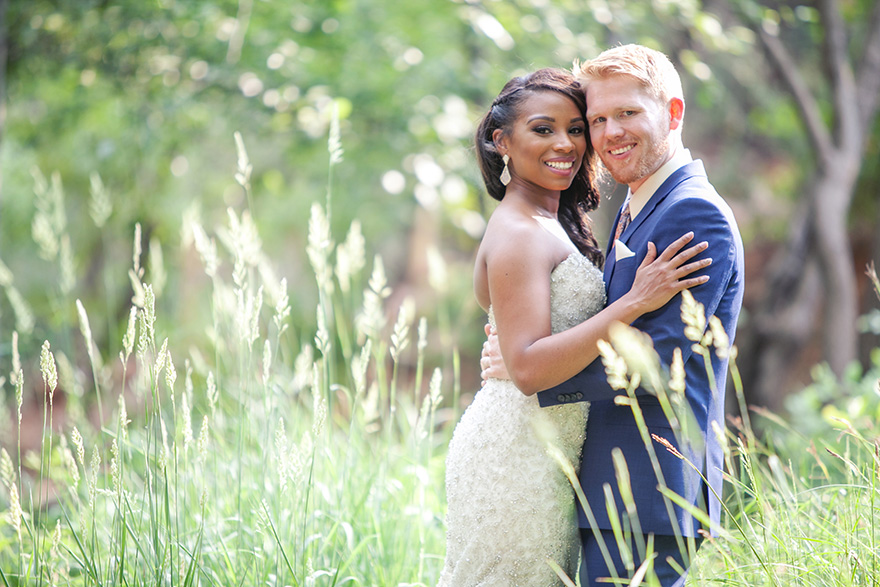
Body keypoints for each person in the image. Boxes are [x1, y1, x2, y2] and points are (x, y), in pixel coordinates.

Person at [481, 45, 745, 587]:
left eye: (627, 113)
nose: (609, 133)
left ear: (673, 113)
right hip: (607, 487)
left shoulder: (692, 211)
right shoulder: (637, 203)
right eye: (598, 120)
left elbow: (659, 360)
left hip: (649, 489)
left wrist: (530, 368)